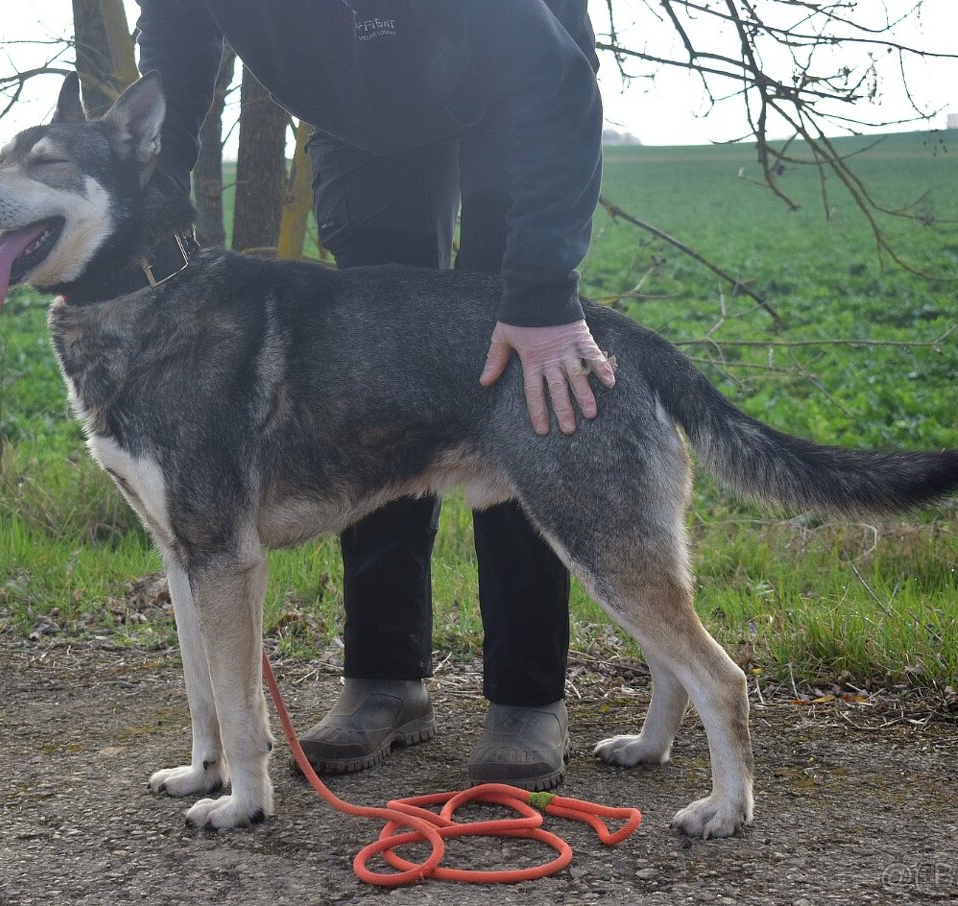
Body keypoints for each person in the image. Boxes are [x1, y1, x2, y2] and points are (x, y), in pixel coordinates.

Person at [135, 0, 616, 792]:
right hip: (358, 119)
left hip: (514, 88)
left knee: (509, 371)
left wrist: (540, 297)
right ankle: (385, 677)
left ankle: (527, 695)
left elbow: (555, 87)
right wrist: (155, 198)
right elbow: (178, 55)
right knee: (363, 381)